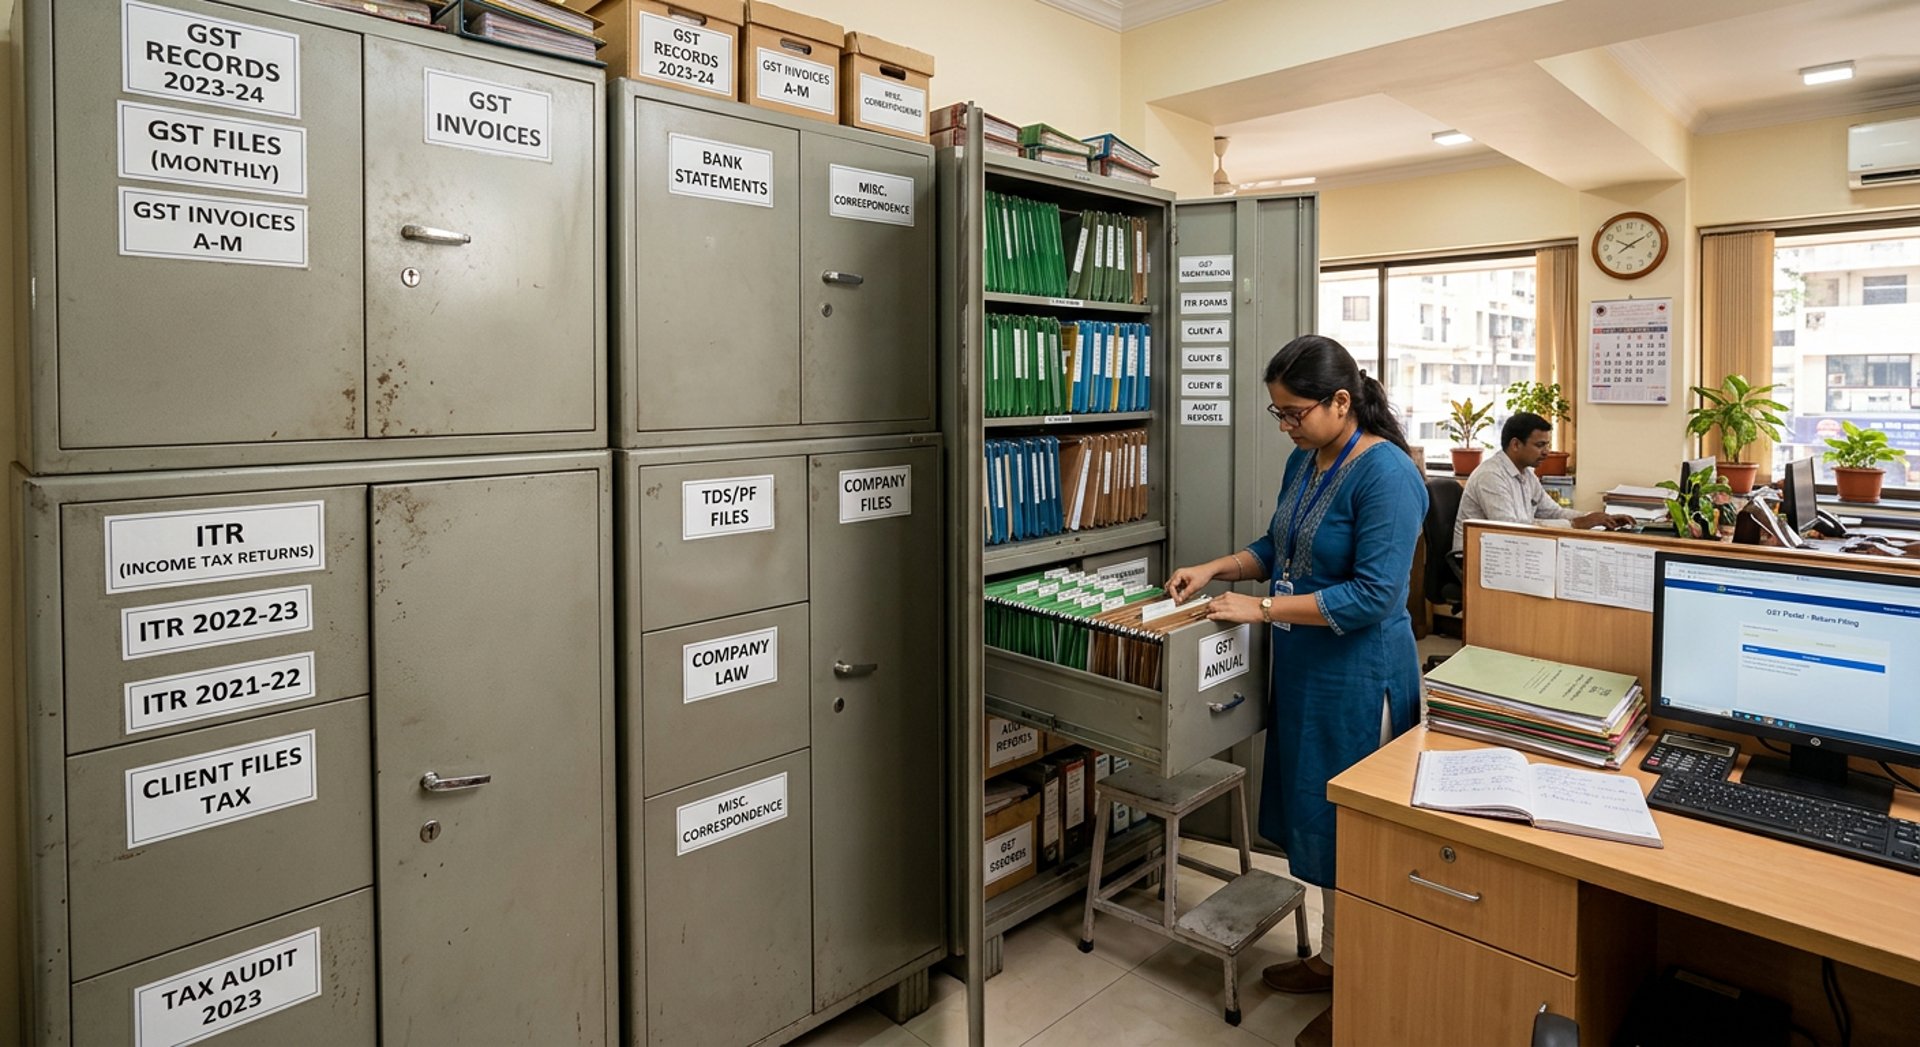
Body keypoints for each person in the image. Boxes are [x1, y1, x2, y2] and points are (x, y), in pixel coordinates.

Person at [1164, 335, 1427, 1047]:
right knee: (1318, 821)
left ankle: (1366, 989)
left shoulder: (1388, 475)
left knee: (1357, 834)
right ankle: (1337, 957)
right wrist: (1217, 568)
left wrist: (1263, 609)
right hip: (1308, 669)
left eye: (1295, 412)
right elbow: (1279, 549)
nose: (1286, 426)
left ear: (1343, 402)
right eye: (1278, 414)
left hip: (1360, 673)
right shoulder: (1305, 461)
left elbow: (1376, 594)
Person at [1451, 412, 1634, 555]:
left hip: (1511, 552)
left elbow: (1553, 512)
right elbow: (1509, 528)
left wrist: (1596, 518)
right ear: (1515, 445)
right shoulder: (1491, 476)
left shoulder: (1527, 474)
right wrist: (1575, 524)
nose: (1546, 452)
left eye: (1547, 445)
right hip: (1477, 557)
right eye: (1540, 445)